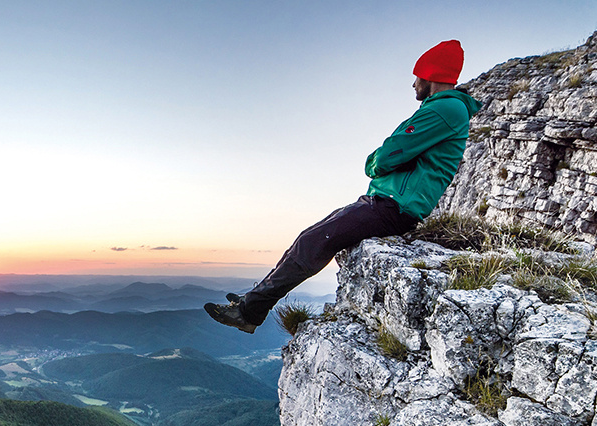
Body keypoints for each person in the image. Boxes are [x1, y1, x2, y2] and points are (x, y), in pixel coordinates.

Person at [205, 40, 482, 333]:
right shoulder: (441, 108)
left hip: (395, 206)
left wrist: (373, 163)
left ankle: (249, 313)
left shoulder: (445, 109)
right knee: (307, 237)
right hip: (385, 201)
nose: (413, 84)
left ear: (431, 75)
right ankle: (252, 301)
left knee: (314, 242)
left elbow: (387, 155)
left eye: (417, 77)